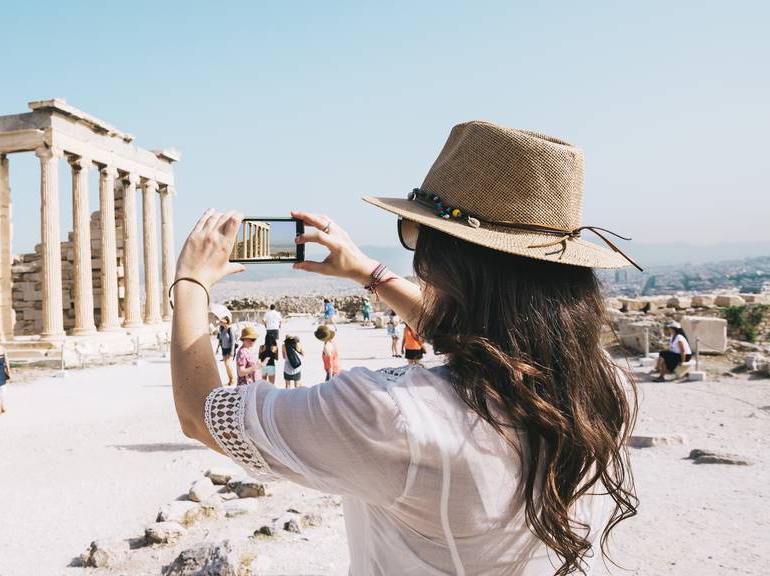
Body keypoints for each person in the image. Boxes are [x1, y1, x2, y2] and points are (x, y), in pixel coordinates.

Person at [170, 121, 640, 575]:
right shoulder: (603, 386)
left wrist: (191, 283)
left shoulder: (390, 414)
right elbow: (481, 334)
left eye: (415, 234)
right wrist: (369, 273)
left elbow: (200, 414)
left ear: (445, 261)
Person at [214, 317, 236, 386]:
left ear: (226, 322)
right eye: (221, 321)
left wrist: (232, 351)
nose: (221, 322)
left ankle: (233, 379)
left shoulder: (230, 329)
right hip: (224, 349)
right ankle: (230, 380)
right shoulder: (221, 329)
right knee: (226, 366)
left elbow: (233, 341)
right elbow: (220, 340)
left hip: (230, 349)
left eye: (222, 321)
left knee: (228, 364)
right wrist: (217, 349)